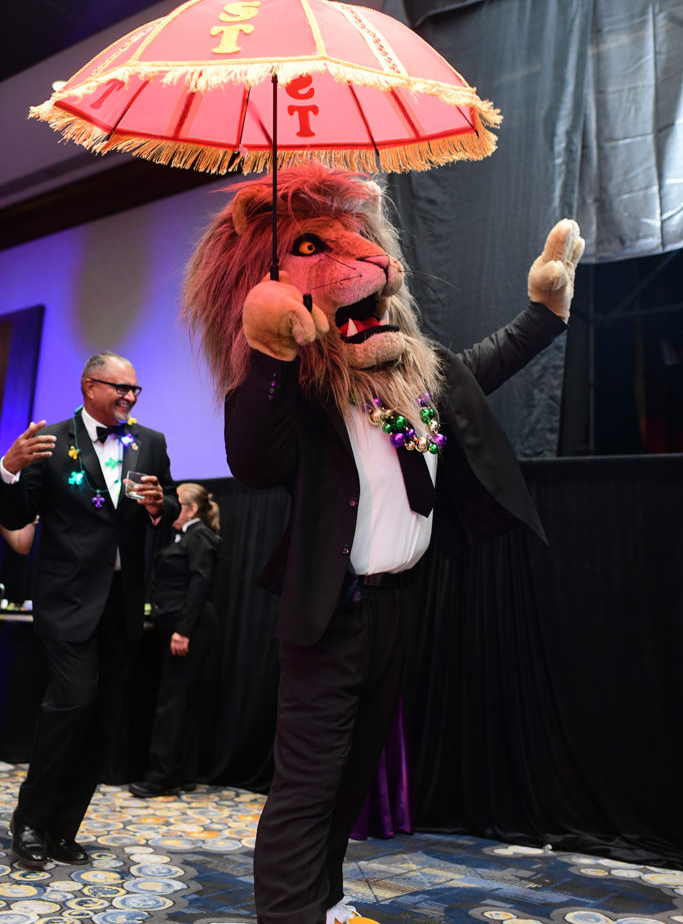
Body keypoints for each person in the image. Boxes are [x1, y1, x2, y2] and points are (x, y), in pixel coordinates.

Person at [182, 165, 584, 924]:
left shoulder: (409, 378)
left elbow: (481, 365)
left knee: (350, 775)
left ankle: (323, 900)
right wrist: (269, 353)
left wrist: (544, 311)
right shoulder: (301, 390)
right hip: (331, 612)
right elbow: (254, 462)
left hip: (400, 606)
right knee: (307, 786)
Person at [0, 351, 179, 869]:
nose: (129, 397)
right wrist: (8, 471)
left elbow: (166, 506)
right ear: (88, 386)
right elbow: (15, 515)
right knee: (72, 704)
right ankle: (29, 821)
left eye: (134, 390)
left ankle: (62, 828)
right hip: (67, 599)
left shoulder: (151, 443)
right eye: (119, 387)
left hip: (123, 605)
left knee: (103, 721)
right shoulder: (53, 442)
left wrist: (157, 505)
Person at [129, 482, 220, 798]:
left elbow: (199, 584)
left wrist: (183, 630)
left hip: (188, 627)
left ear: (192, 509)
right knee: (181, 699)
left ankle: (161, 776)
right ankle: (183, 771)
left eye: (176, 501)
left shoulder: (201, 537)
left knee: (173, 700)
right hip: (181, 624)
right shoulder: (187, 536)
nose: (169, 505)